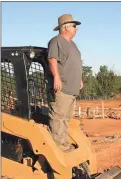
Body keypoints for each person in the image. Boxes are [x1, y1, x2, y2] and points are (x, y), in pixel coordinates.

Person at [47, 14, 83, 151]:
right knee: (58, 117)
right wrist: (56, 76)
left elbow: (74, 63)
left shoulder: (73, 45)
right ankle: (59, 146)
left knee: (66, 118)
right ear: (66, 27)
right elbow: (52, 59)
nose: (76, 29)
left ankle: (64, 142)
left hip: (72, 88)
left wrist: (79, 79)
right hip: (62, 87)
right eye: (74, 26)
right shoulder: (56, 41)